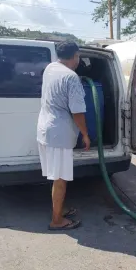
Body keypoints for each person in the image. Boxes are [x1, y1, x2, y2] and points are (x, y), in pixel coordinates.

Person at [37, 41, 91, 230]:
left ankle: (60, 209)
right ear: (75, 56)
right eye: (78, 56)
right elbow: (78, 112)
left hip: (45, 129)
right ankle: (57, 220)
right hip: (59, 133)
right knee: (60, 179)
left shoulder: (50, 68)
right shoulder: (71, 77)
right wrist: (85, 134)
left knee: (56, 176)